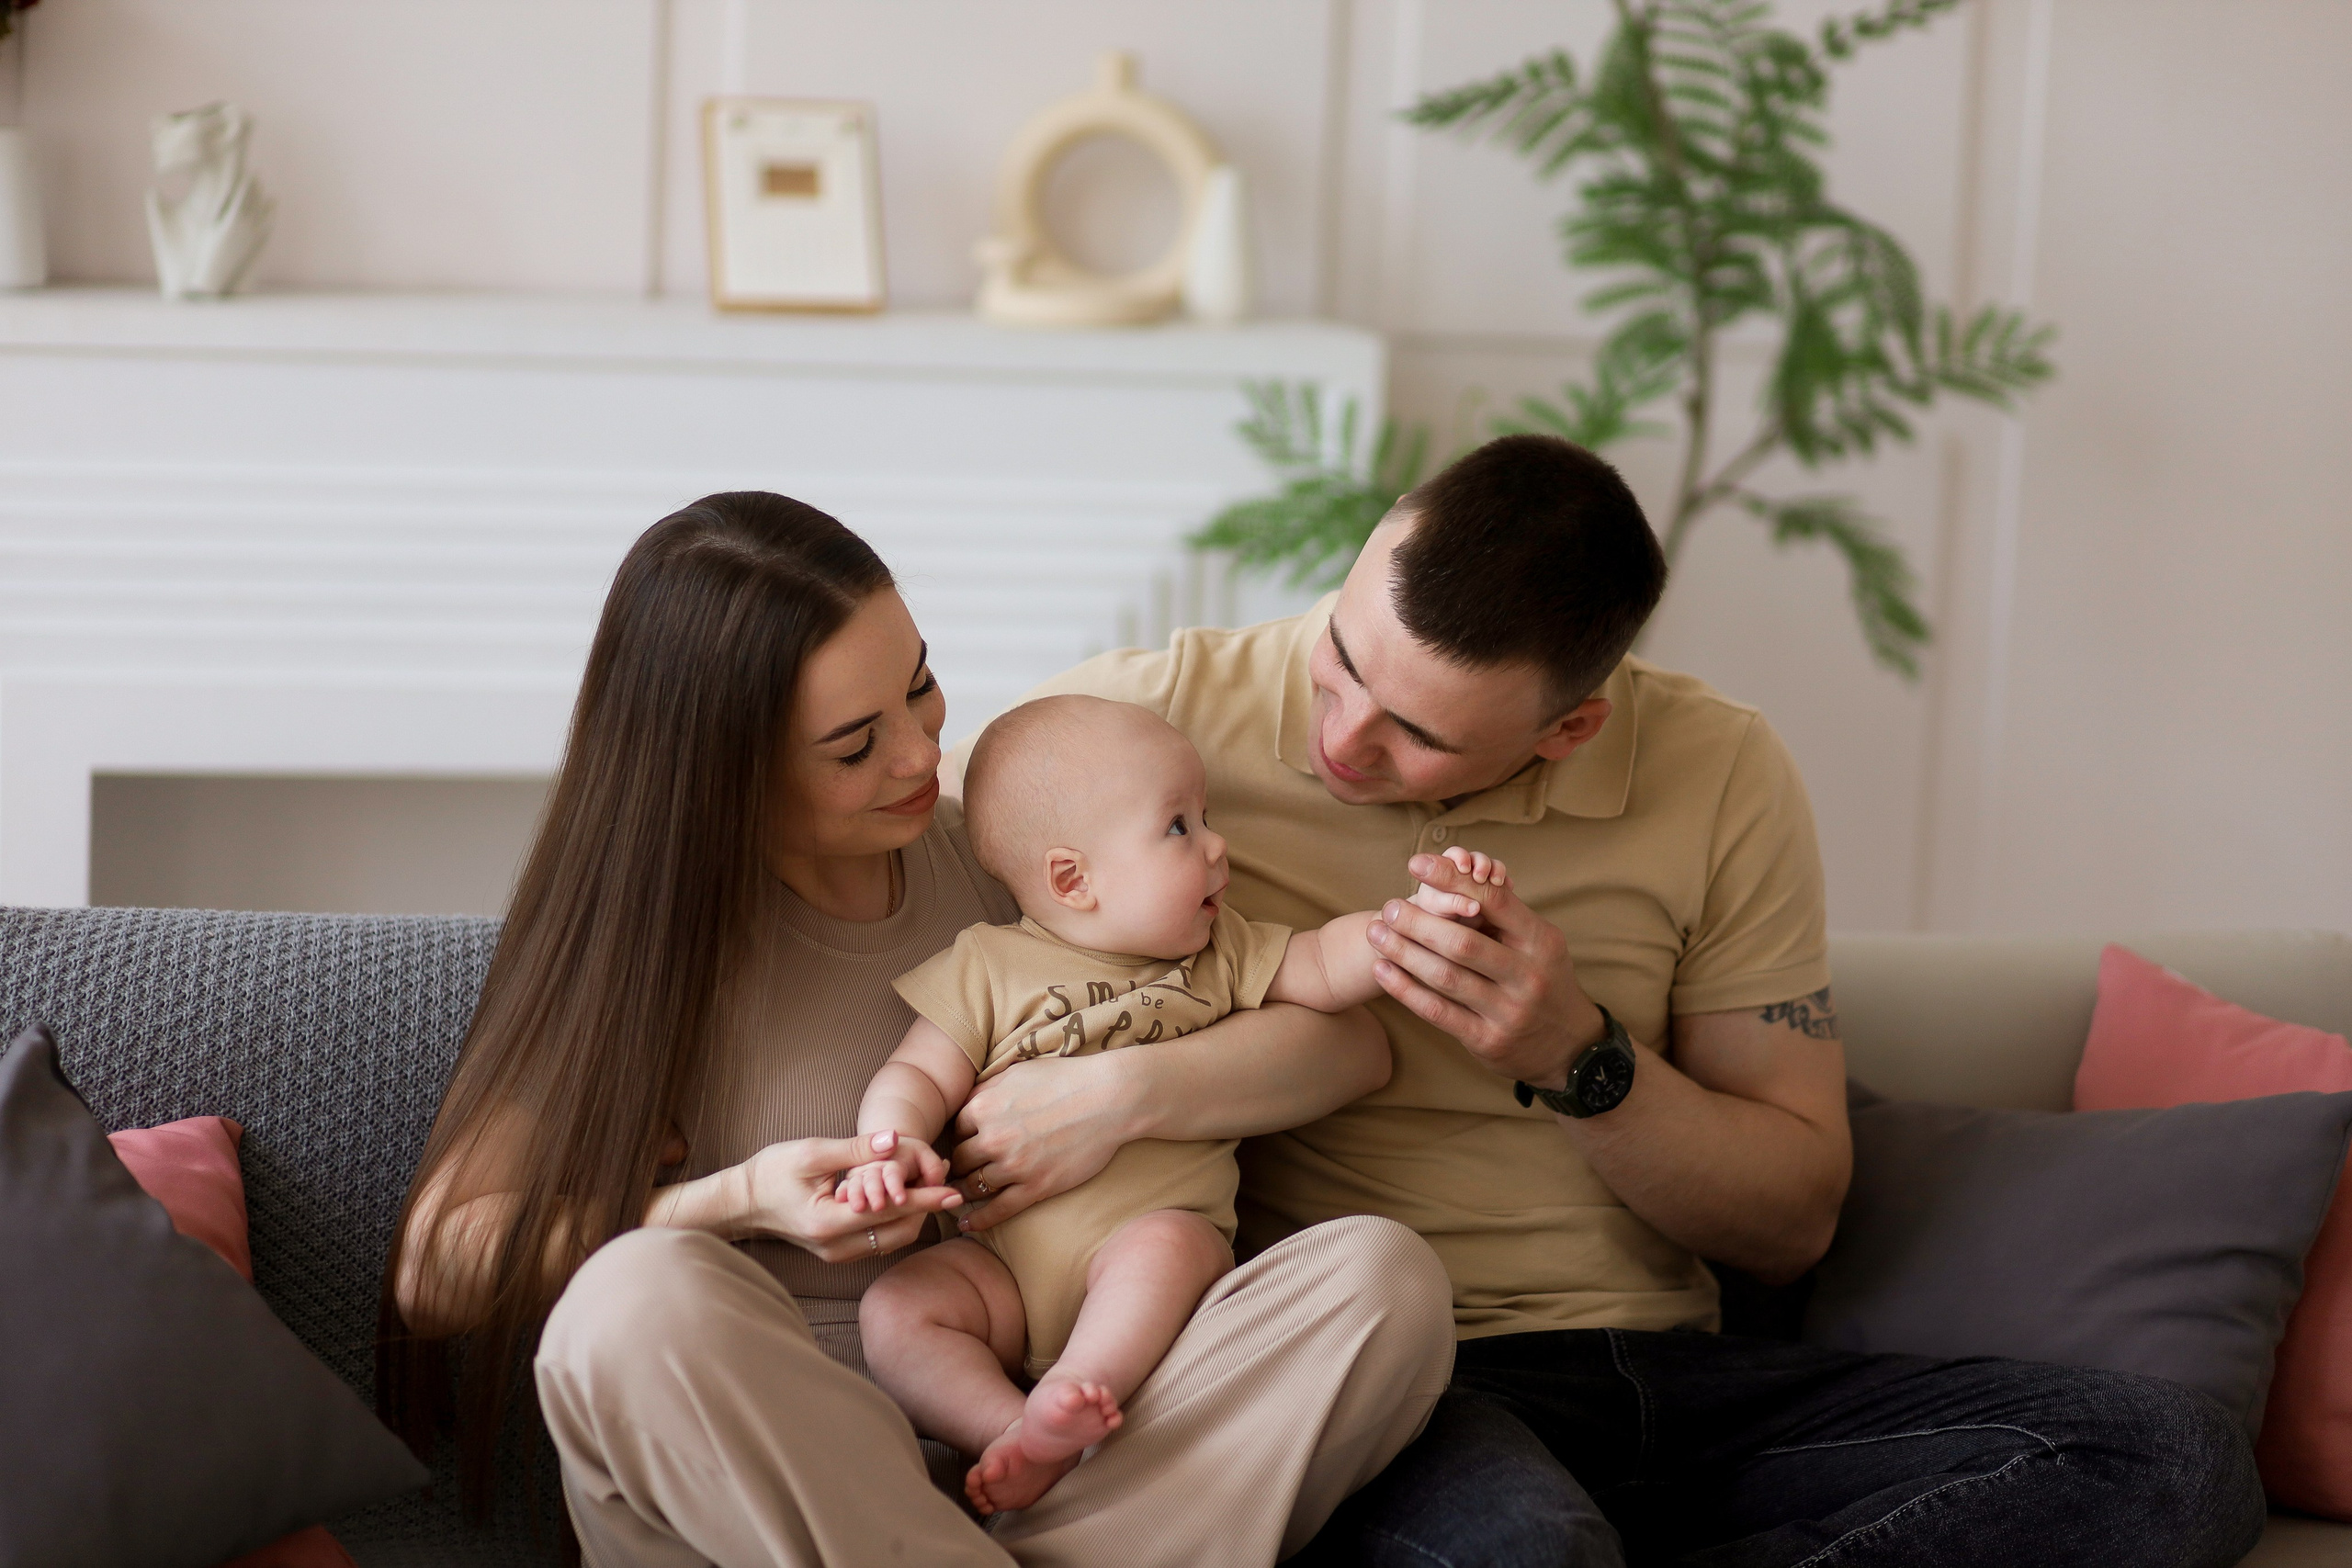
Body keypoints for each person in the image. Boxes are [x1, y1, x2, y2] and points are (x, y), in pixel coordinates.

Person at [974, 434, 2267, 1567]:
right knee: (1530, 1547)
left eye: (1418, 733)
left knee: (2172, 1461)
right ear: (1369, 552)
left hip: (1672, 1370)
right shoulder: (1142, 739)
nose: (1343, 738)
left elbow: (1792, 1219)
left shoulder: (1723, 770)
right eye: (1342, 660)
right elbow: (925, 937)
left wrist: (1578, 1052)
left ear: (1568, 729)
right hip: (1391, 1382)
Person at [376, 493, 1455, 1568]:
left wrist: (1112, 1098)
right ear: (723, 772)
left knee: (1378, 1282)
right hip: (784, 1494)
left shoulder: (1012, 857)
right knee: (626, 1300)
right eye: (856, 746)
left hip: (1054, 1458)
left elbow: (1345, 1046)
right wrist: (736, 1201)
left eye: (921, 684)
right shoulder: (637, 952)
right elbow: (437, 1266)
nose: (920, 752)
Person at [836, 694, 1506, 1516]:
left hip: (1153, 1263)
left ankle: (1084, 1388)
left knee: (1168, 1245)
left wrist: (1416, 923)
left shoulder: (1219, 955)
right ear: (1073, 879)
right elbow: (918, 1073)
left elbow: (1326, 965)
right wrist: (889, 1144)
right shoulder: (987, 963)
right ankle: (1014, 1429)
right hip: (1001, 1270)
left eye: (1204, 814)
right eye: (1180, 826)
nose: (1220, 845)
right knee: (897, 1309)